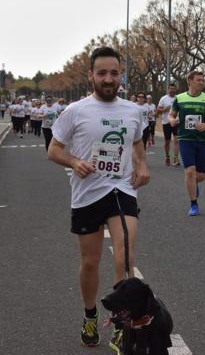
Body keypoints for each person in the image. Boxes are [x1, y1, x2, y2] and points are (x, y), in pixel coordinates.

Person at [48, 46, 150, 351]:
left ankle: (123, 324)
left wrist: (142, 165)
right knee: (90, 262)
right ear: (91, 75)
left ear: (121, 75)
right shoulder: (76, 111)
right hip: (88, 194)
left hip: (122, 190)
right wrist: (74, 162)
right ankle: (90, 315)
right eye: (102, 73)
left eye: (114, 73)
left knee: (125, 255)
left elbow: (137, 144)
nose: (108, 79)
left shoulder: (133, 110)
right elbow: (53, 149)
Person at [169, 71, 205, 216]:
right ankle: (193, 204)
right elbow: (171, 114)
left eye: (203, 80)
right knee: (190, 171)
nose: (202, 82)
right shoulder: (180, 98)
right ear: (189, 81)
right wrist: (172, 120)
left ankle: (193, 182)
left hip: (202, 140)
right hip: (185, 139)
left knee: (201, 175)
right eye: (198, 80)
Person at [158, 82, 180, 166]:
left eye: (173, 89)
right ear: (168, 89)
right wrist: (165, 109)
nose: (172, 90)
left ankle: (176, 158)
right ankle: (167, 156)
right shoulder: (163, 98)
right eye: (170, 89)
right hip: (166, 122)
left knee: (176, 140)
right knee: (167, 141)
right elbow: (159, 109)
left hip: (176, 121)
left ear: (175, 89)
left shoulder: (178, 98)